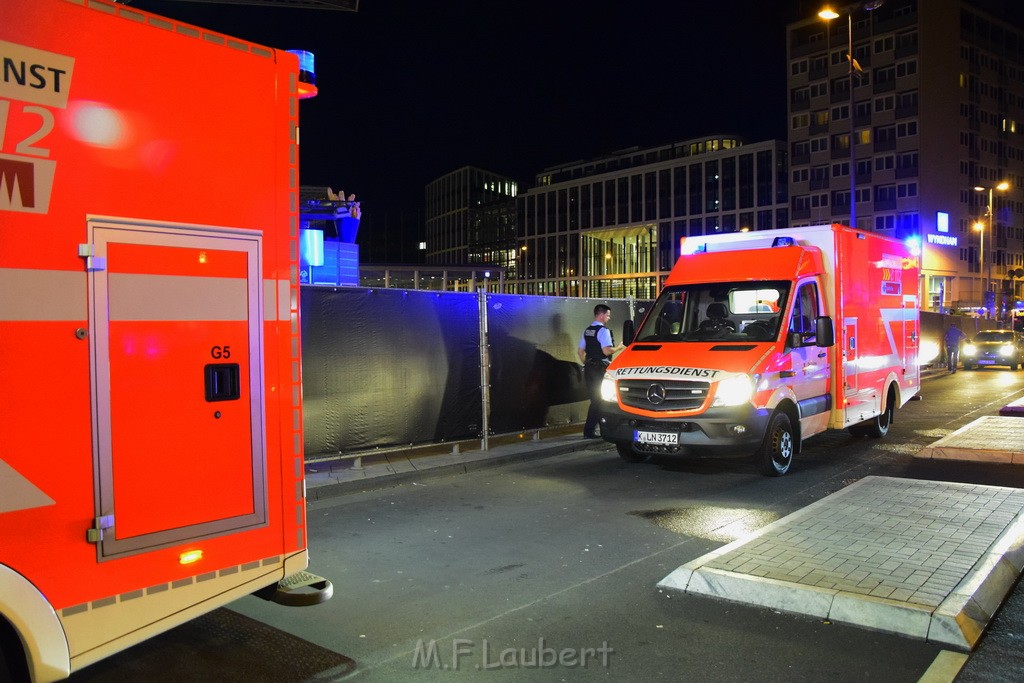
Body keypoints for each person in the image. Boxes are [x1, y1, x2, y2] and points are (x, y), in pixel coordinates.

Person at [577, 305, 625, 438]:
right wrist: (619, 348)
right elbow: (606, 351)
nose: (609, 318)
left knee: (595, 398)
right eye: (608, 315)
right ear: (602, 315)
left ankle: (599, 427)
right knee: (600, 399)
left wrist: (587, 364)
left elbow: (580, 352)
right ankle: (590, 431)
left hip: (589, 368)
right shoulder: (603, 331)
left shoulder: (587, 331)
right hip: (600, 369)